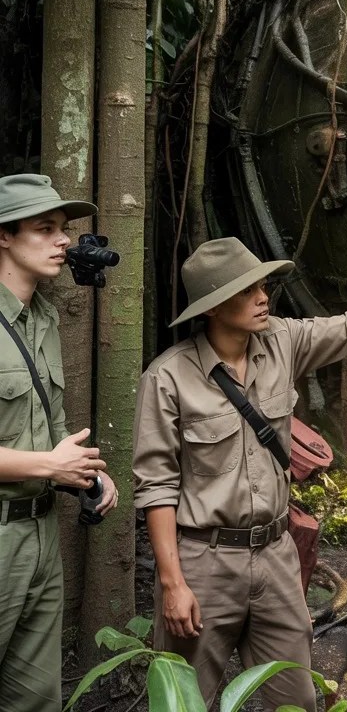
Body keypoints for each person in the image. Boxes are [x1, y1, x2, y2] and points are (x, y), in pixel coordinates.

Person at [133, 235, 347, 712]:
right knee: (183, 701)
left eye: (263, 287)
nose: (263, 298)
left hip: (276, 557)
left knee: (296, 697)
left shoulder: (281, 342)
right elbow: (156, 486)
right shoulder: (168, 377)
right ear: (213, 307)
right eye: (246, 291)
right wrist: (173, 584)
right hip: (204, 562)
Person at [0, 173, 118, 712]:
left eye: (63, 228)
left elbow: (44, 427)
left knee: (36, 699)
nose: (63, 240)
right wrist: (50, 464)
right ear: (4, 235)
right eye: (44, 228)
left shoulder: (43, 316)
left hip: (43, 532)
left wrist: (80, 471)